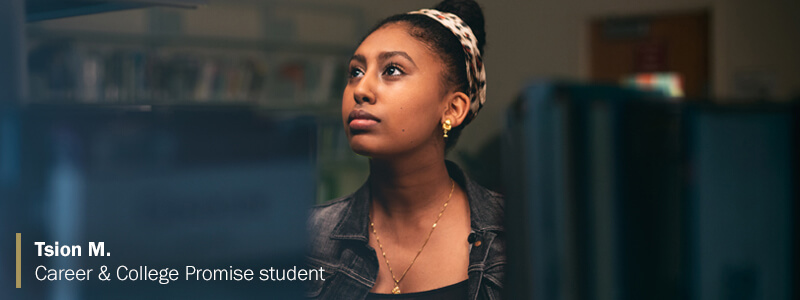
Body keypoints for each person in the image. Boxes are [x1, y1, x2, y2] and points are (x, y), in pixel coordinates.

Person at [306, 0, 503, 299]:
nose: (361, 89)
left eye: (393, 70)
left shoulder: (514, 234)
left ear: (452, 108)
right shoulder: (308, 237)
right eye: (356, 72)